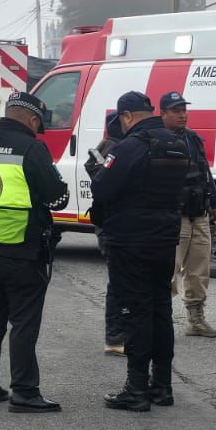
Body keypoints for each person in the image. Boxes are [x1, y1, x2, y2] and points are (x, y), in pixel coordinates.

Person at [0, 90, 70, 413]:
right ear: (33, 120)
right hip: (22, 246)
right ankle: (24, 391)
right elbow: (57, 198)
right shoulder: (32, 149)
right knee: (24, 320)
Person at [92, 91, 186, 412]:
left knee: (136, 312)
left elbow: (102, 187)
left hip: (131, 241)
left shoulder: (130, 146)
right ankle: (162, 386)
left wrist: (100, 167)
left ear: (127, 116)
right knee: (161, 310)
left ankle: (136, 389)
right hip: (165, 239)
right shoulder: (177, 142)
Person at [160, 91, 216, 338]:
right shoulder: (157, 140)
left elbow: (205, 173)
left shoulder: (193, 138)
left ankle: (195, 320)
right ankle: (159, 320)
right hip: (174, 216)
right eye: (176, 111)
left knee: (199, 270)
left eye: (184, 110)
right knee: (168, 270)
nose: (182, 115)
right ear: (163, 114)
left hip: (199, 213)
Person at [88, 111, 128, 356]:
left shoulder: (108, 146)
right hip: (112, 226)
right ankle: (114, 337)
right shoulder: (114, 148)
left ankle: (119, 335)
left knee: (120, 281)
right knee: (119, 283)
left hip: (109, 224)